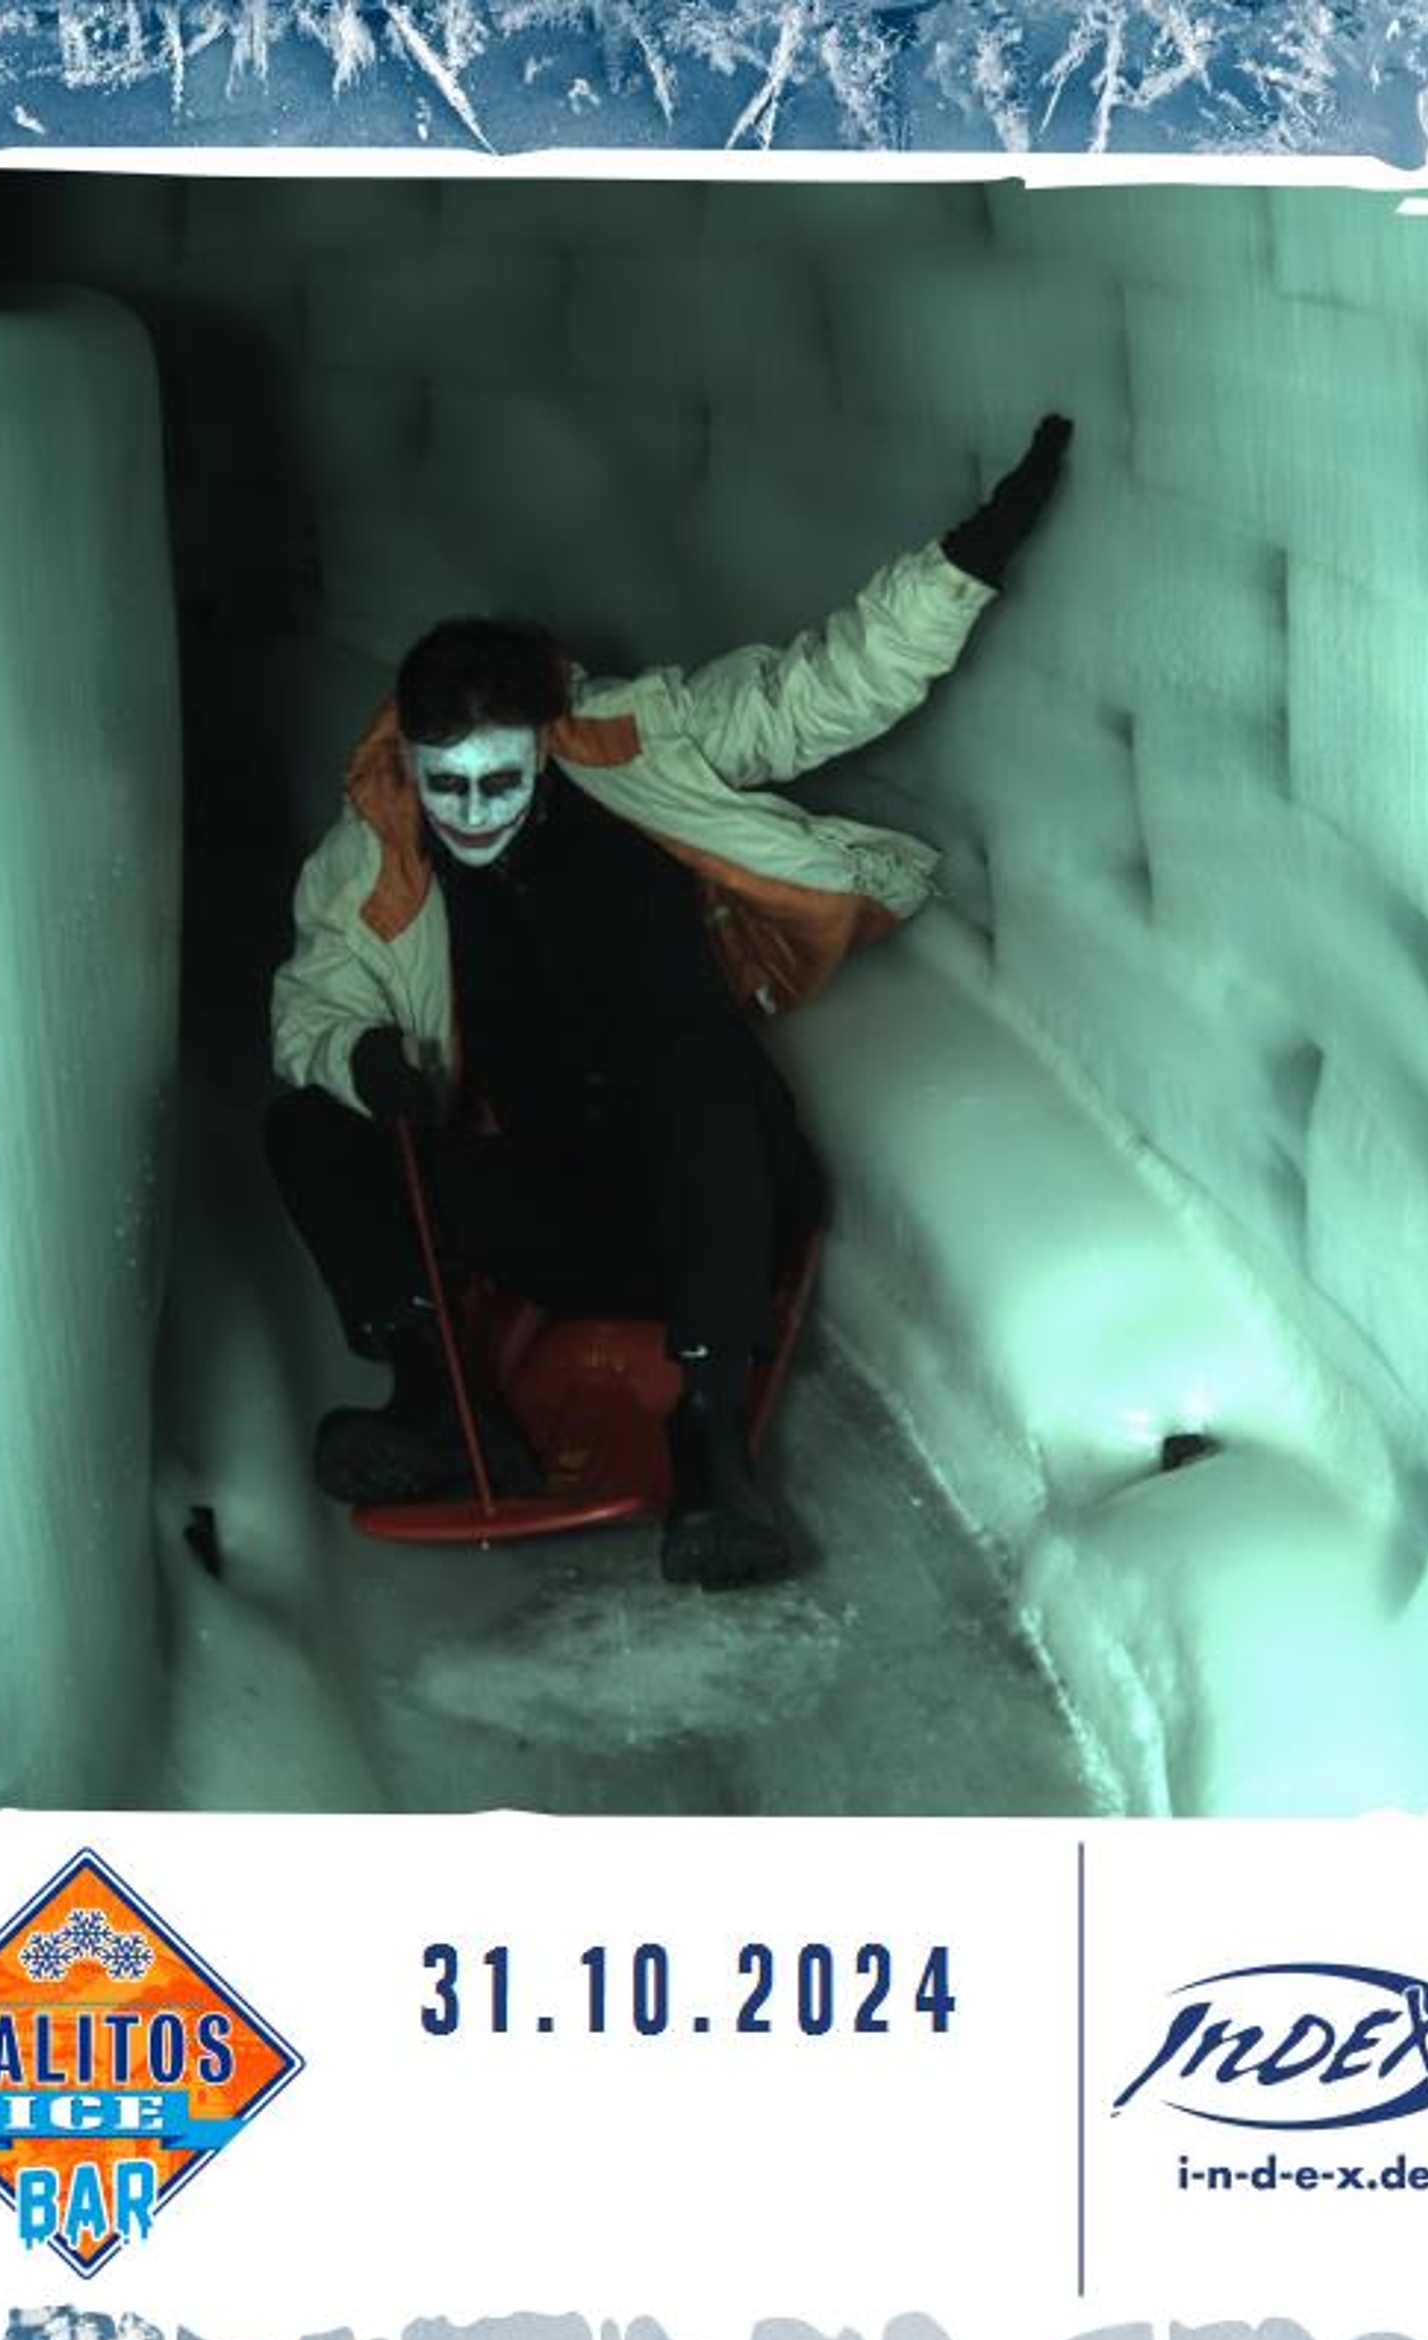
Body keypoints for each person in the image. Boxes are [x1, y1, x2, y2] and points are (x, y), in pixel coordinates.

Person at [266, 415, 1074, 1589]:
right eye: (446, 785)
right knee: (306, 1122)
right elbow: (310, 1005)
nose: (473, 812)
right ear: (411, 765)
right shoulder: (374, 859)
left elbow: (819, 688)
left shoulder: (642, 745)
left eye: (499, 779)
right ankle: (439, 1401)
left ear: (544, 747)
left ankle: (710, 1445)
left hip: (725, 1202)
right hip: (566, 1215)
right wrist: (361, 1058)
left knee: (687, 1057)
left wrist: (967, 560)